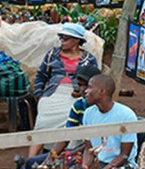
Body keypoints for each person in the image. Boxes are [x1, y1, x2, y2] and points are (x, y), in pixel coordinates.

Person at [25, 22, 99, 157]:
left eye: (66, 39)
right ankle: (30, 161)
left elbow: (94, 81)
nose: (62, 42)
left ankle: (62, 158)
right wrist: (39, 95)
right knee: (42, 124)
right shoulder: (52, 54)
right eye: (61, 38)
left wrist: (81, 92)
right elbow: (41, 76)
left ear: (76, 40)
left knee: (72, 118)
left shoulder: (89, 59)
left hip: (75, 96)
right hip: (52, 93)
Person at [16, 62, 101, 169]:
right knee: (32, 163)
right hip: (76, 151)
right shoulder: (79, 105)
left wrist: (70, 154)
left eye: (86, 86)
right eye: (80, 85)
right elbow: (66, 136)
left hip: (89, 155)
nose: (82, 90)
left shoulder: (99, 110)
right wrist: (50, 157)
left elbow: (90, 145)